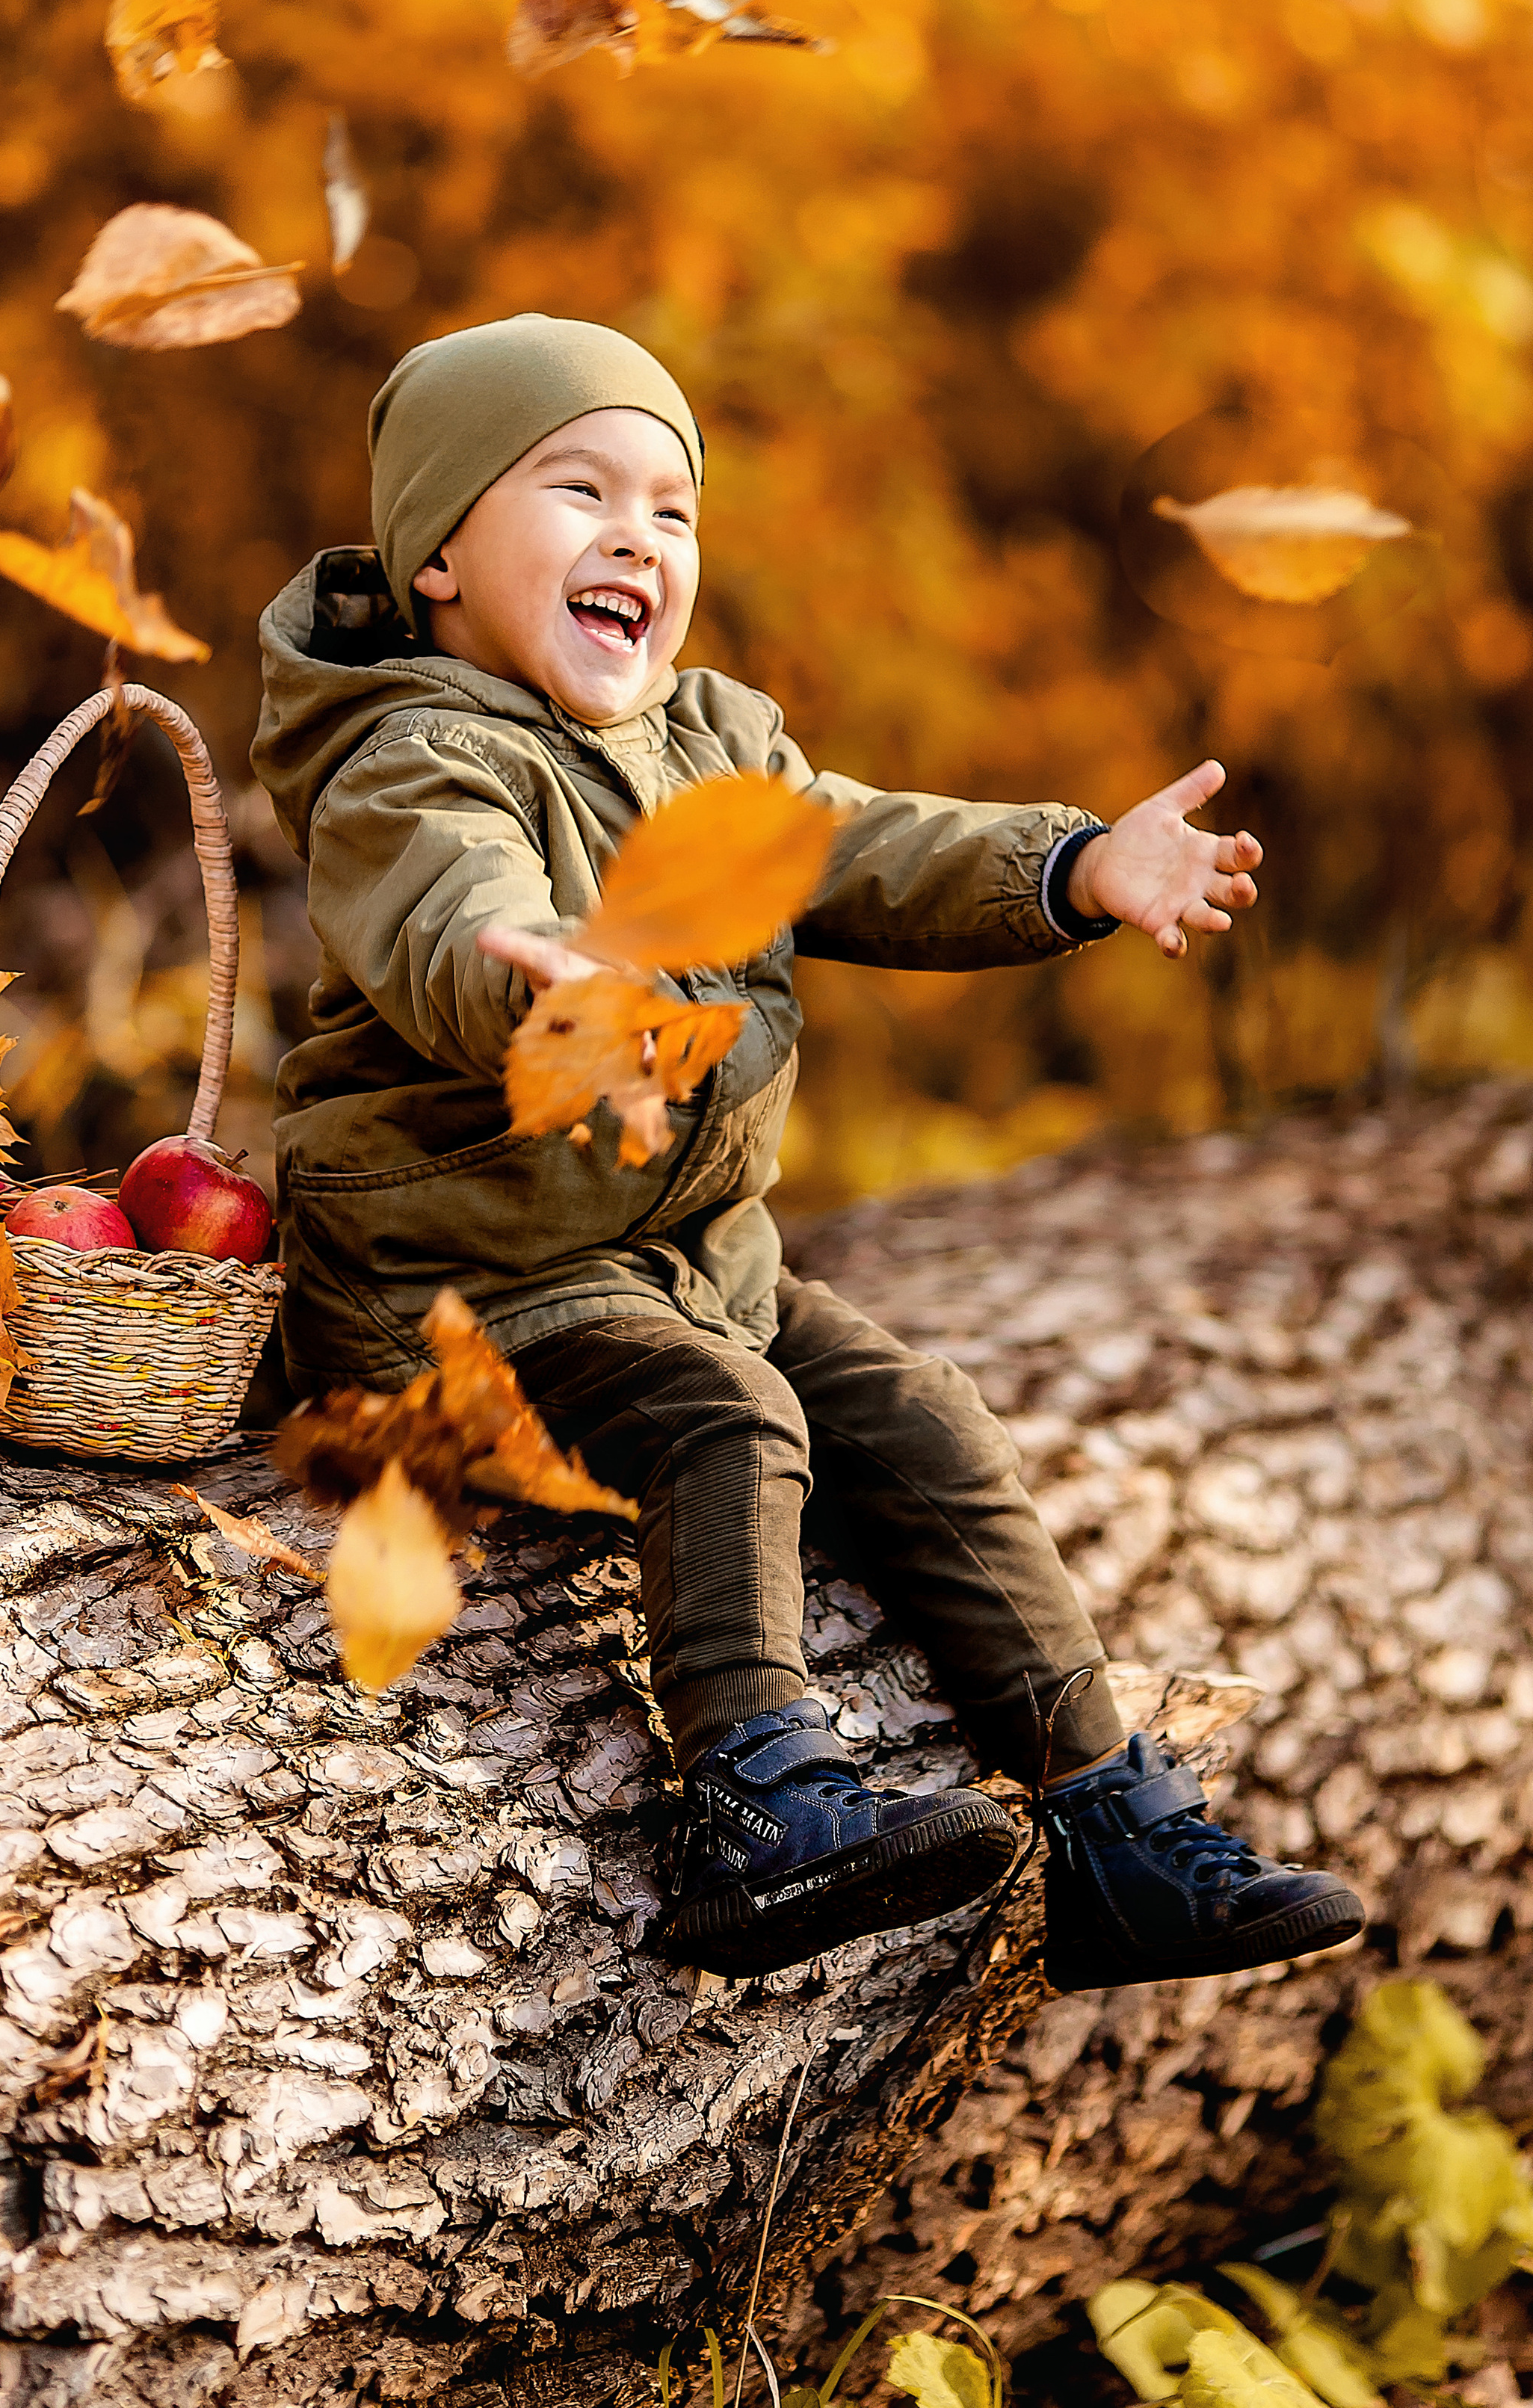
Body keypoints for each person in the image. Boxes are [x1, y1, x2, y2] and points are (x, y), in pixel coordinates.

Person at [250, 313, 1365, 1989]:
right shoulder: (411, 758)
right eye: (579, 491)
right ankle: (753, 1803)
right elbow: (446, 904)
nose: (637, 536)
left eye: (671, 508)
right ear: (439, 561)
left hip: (693, 1264)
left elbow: (871, 847)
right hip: (460, 1286)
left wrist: (1071, 869)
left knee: (925, 1418)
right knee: (725, 1415)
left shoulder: (710, 746)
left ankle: (1109, 1826)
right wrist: (535, 980)